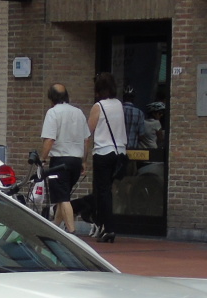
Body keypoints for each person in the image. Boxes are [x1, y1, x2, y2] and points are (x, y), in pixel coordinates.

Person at [39, 82, 89, 234]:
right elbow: (87, 139)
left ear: (51, 98)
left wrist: (42, 159)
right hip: (76, 160)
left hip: (60, 161)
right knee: (63, 195)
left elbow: (49, 140)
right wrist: (84, 160)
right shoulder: (79, 112)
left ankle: (72, 232)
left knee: (63, 198)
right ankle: (55, 228)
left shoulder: (53, 113)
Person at [86, 72, 127, 243]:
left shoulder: (99, 106)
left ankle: (107, 228)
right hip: (119, 153)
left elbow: (88, 131)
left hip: (103, 152)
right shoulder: (119, 104)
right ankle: (104, 225)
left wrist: (84, 157)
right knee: (108, 191)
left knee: (102, 193)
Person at [121, 88, 146, 156]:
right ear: (133, 99)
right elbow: (141, 135)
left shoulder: (118, 111)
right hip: (133, 151)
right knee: (131, 166)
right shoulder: (139, 113)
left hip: (119, 149)